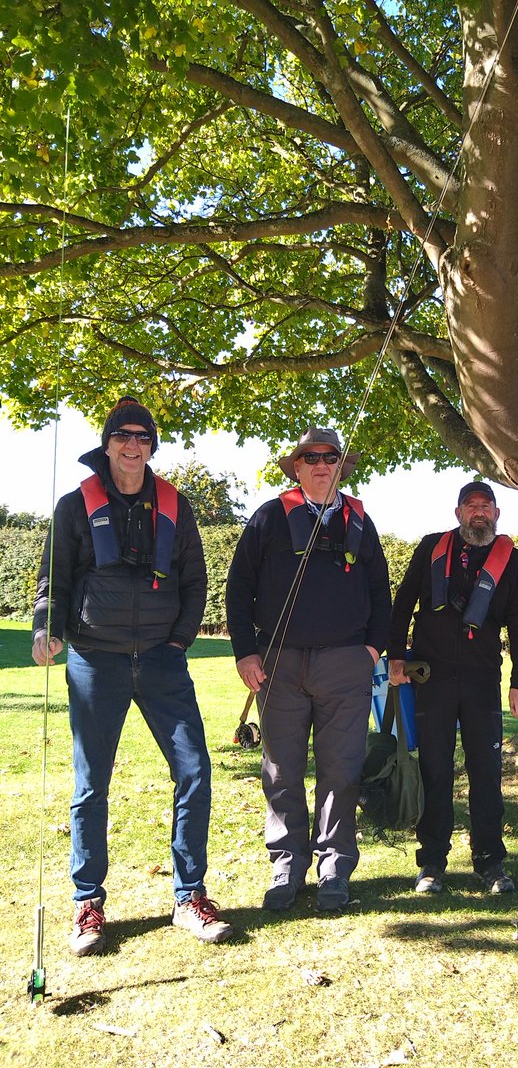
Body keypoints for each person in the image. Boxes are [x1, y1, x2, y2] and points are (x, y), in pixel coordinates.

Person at [32, 397, 233, 956]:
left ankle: (190, 896)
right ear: (108, 443)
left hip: (164, 662)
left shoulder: (176, 506)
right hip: (96, 659)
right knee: (91, 785)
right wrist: (43, 629)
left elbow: (196, 578)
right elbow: (54, 580)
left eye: (143, 437)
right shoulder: (75, 507)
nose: (132, 444)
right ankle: (87, 904)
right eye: (123, 435)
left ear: (151, 447)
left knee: (194, 771)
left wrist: (180, 638)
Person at [226, 427, 391, 912]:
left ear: (341, 466)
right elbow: (239, 589)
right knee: (281, 769)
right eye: (310, 457)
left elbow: (381, 593)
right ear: (296, 467)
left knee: (341, 769)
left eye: (330, 457)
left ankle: (335, 867)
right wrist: (245, 652)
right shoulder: (269, 518)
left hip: (346, 664)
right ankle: (286, 865)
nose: (321, 465)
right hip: (280, 661)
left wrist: (373, 650)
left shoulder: (361, 522)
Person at [387, 481, 518, 895]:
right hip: (430, 680)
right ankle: (431, 863)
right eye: (471, 507)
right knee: (435, 771)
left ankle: (490, 863)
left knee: (486, 773)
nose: (479, 513)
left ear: (497, 514)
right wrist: (395, 654)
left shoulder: (513, 561)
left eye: (486, 506)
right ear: (458, 514)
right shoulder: (431, 548)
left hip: (482, 681)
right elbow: (402, 604)